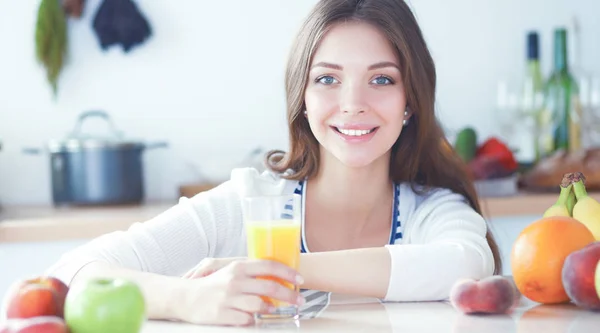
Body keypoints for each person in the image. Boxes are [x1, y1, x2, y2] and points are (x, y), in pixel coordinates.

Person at [46, 0, 502, 327]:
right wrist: (189, 298)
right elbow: (74, 273)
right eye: (328, 79)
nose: (353, 104)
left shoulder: (433, 210)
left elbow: (463, 266)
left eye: (382, 79)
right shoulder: (248, 204)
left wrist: (270, 267)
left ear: (411, 101)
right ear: (302, 99)